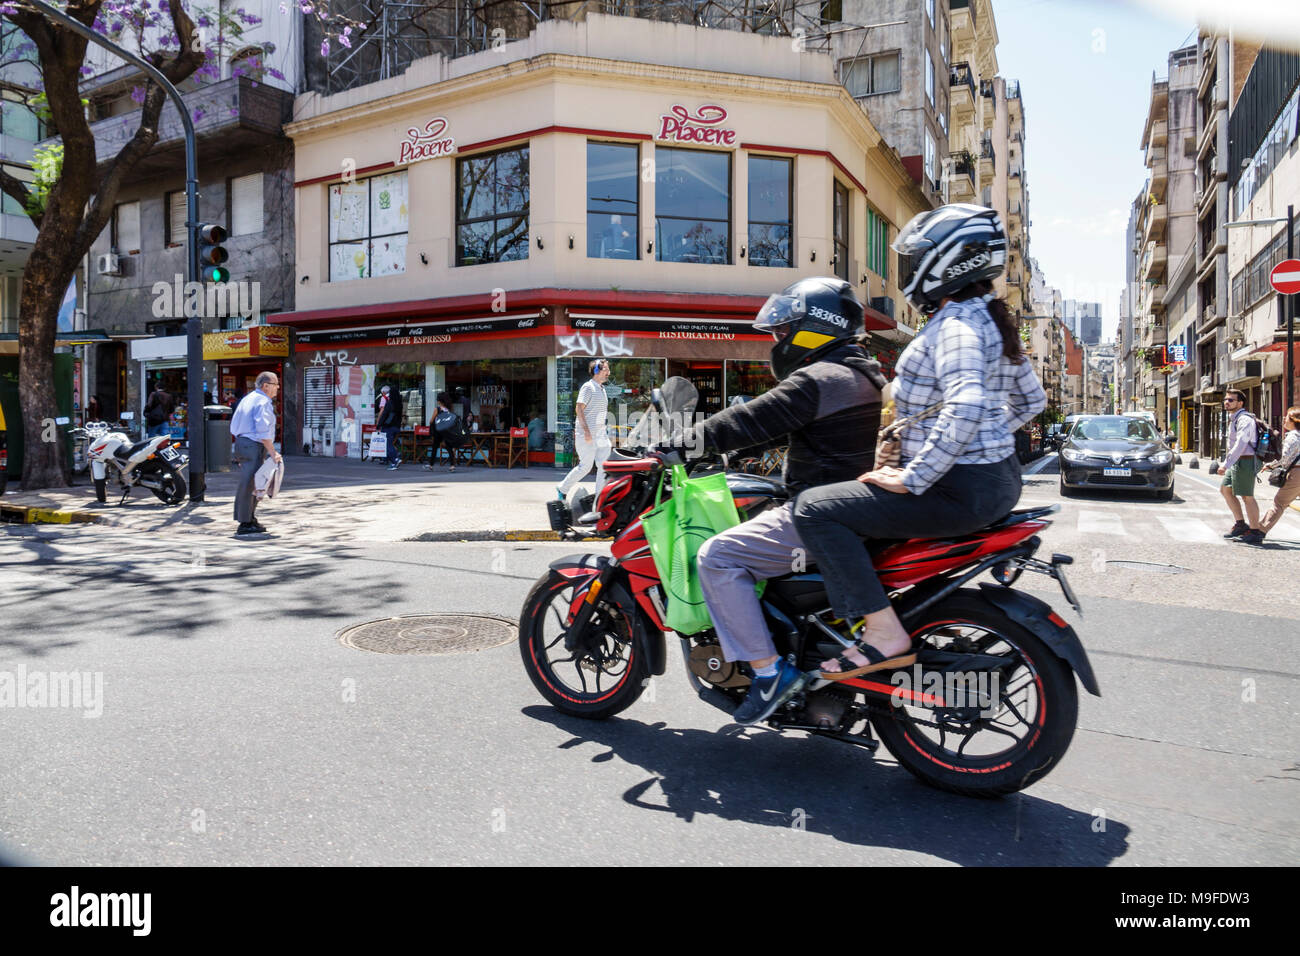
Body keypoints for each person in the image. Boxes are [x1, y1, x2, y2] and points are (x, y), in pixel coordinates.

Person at [791, 204, 1046, 680]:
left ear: (947, 261)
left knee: (814, 509)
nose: (908, 269)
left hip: (956, 489)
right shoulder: (988, 319)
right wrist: (983, 444)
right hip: (997, 482)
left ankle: (882, 633)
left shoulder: (954, 326)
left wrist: (915, 476)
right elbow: (1031, 401)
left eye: (915, 257)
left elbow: (967, 405)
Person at [680, 276, 887, 725]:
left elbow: (749, 418)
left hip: (822, 517)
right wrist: (737, 453)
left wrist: (679, 445)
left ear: (813, 329)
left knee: (717, 557)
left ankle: (769, 673)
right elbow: (782, 427)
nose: (777, 339)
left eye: (783, 330)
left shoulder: (818, 379)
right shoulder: (859, 372)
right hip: (856, 511)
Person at [230, 370, 282, 537]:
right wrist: (273, 453)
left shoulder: (248, 399)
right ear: (265, 386)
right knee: (251, 484)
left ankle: (249, 519)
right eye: (275, 385)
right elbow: (263, 430)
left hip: (243, 443)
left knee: (252, 483)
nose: (277, 388)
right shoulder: (262, 402)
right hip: (252, 445)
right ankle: (245, 522)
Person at [557, 359, 613, 506]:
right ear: (596, 371)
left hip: (601, 435)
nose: (609, 372)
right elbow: (579, 409)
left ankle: (599, 500)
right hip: (586, 435)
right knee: (586, 467)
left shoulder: (602, 389)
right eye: (605, 369)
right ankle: (562, 488)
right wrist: (587, 432)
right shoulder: (588, 387)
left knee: (604, 466)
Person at [1244, 405, 1300, 545]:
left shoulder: (1293, 436)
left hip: (1297, 473)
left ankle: (1260, 531)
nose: (1284, 420)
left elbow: (1285, 458)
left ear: (1294, 420)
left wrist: (1271, 465)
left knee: (1279, 503)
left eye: (1286, 417)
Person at [1219, 388, 1262, 540]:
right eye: (1226, 399)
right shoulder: (1234, 418)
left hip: (1246, 460)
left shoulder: (1245, 419)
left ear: (1240, 403)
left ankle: (1255, 531)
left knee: (1247, 496)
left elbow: (1241, 444)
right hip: (1237, 460)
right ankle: (1240, 524)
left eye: (1231, 400)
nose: (1226, 402)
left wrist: (1225, 464)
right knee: (1225, 489)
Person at [424, 391, 458, 473]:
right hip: (447, 431)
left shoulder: (437, 409)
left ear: (439, 401)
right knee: (449, 448)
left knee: (435, 447)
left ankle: (431, 465)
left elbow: (431, 421)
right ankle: (452, 465)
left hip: (438, 431)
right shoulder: (449, 409)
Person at [375, 384, 403, 471]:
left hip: (388, 426)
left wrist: (379, 424)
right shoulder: (399, 404)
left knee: (388, 445)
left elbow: (384, 415)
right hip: (396, 427)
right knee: (391, 444)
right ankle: (395, 459)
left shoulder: (389, 403)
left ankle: (395, 460)